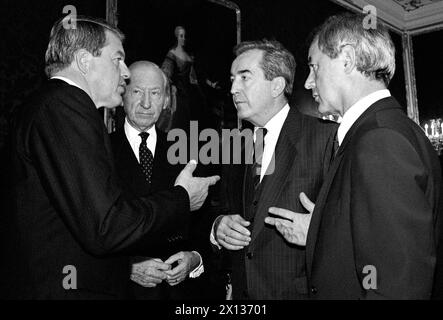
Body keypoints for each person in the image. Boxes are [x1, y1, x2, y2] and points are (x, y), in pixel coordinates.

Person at [0, 16, 219, 299]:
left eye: (155, 93)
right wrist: (182, 198)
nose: (125, 72)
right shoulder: (66, 107)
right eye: (117, 59)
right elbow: (106, 227)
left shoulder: (52, 105)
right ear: (84, 61)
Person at [265, 12, 442, 299]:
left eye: (314, 67)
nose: (309, 83)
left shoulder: (379, 140)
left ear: (346, 59)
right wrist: (322, 230)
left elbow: (395, 287)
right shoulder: (389, 128)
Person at [211, 40, 336, 299]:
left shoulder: (325, 138)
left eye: (245, 78)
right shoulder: (234, 143)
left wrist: (318, 231)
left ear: (277, 85)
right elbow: (223, 208)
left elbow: (353, 225)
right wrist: (218, 226)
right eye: (233, 79)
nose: (233, 89)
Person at [110, 60, 216, 299]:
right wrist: (126, 267)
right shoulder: (98, 151)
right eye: (137, 92)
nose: (146, 103)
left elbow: (203, 225)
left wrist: (194, 258)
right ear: (122, 94)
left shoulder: (187, 152)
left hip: (179, 296)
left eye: (155, 93)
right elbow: (87, 230)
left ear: (166, 100)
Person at [157, 26, 214, 133]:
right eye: (181, 36)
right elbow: (166, 71)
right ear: (176, 37)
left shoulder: (189, 55)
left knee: (200, 114)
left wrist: (209, 83)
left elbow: (195, 76)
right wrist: (171, 85)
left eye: (185, 36)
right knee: (179, 118)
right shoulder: (172, 53)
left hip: (192, 90)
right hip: (179, 90)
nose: (183, 38)